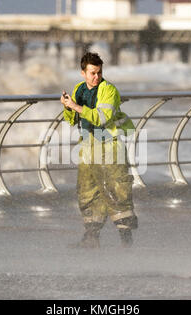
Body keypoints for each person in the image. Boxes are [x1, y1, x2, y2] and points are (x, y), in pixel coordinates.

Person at [60, 52, 138, 248]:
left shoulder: (108, 90)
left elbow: (101, 118)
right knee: (87, 192)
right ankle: (91, 239)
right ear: (83, 73)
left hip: (109, 143)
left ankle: (126, 243)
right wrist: (68, 108)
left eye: (99, 72)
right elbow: (71, 120)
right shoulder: (79, 89)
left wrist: (75, 106)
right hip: (87, 144)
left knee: (116, 190)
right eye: (93, 73)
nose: (97, 77)